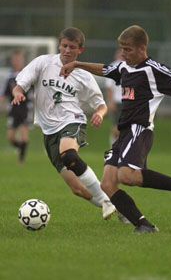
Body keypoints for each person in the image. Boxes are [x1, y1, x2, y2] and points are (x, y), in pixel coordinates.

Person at [59, 25, 171, 234]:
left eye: (128, 49)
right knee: (108, 183)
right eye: (122, 49)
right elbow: (104, 69)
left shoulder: (154, 70)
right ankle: (144, 225)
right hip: (124, 132)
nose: (123, 53)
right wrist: (77, 64)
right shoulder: (123, 67)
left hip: (140, 129)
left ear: (142, 49)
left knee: (127, 175)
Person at [11, 27, 116, 220]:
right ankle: (112, 204)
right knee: (77, 189)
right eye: (65, 46)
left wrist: (100, 114)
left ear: (80, 50)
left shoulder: (84, 75)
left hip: (72, 120)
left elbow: (100, 104)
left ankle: (106, 199)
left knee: (68, 153)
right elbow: (21, 83)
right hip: (49, 130)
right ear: (59, 45)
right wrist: (18, 92)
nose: (67, 50)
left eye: (72, 47)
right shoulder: (43, 62)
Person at [0, 50, 33, 164]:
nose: (17, 61)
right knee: (11, 137)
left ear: (22, 60)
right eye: (15, 59)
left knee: (23, 133)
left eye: (19, 59)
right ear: (12, 60)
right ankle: (21, 148)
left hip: (25, 108)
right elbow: (3, 93)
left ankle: (21, 159)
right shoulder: (9, 76)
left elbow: (35, 92)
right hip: (13, 109)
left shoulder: (27, 74)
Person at [105, 49, 123, 145]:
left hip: (128, 101)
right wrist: (110, 101)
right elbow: (109, 87)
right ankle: (114, 147)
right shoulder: (113, 66)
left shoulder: (132, 66)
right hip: (117, 101)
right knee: (116, 128)